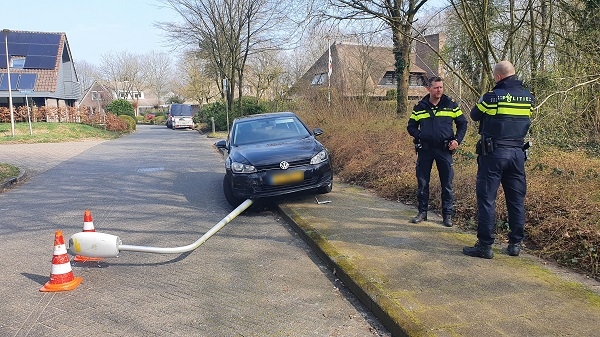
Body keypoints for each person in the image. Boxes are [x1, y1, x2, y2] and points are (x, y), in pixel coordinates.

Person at [463, 61, 533, 259]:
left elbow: (475, 115)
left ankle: (485, 246)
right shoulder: (528, 98)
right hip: (518, 154)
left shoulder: (492, 97)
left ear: (499, 77)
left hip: (494, 154)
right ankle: (515, 244)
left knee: (487, 199)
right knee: (516, 200)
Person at [407, 76, 468, 227]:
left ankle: (447, 215)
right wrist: (420, 135)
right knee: (422, 183)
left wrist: (457, 141)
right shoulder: (420, 107)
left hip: (444, 150)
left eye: (441, 87)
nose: (439, 90)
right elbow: (411, 126)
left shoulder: (451, 105)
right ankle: (422, 212)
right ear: (429, 89)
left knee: (447, 184)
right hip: (425, 150)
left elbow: (463, 124)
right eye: (436, 87)